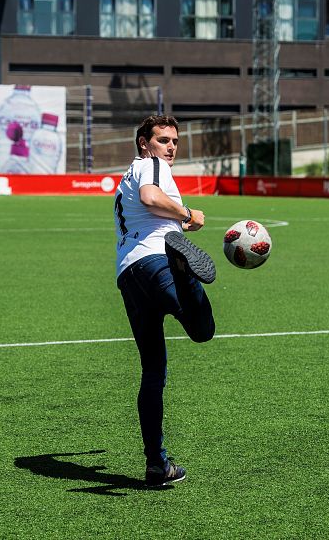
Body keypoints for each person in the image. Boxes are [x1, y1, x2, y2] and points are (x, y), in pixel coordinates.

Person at [114, 114, 217, 485]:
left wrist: (178, 224)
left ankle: (157, 464)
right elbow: (151, 197)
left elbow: (145, 210)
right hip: (157, 260)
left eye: (174, 141)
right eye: (163, 140)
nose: (170, 147)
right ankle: (184, 268)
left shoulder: (125, 177)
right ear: (144, 143)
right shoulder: (151, 165)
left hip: (128, 275)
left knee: (153, 371)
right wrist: (188, 213)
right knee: (202, 329)